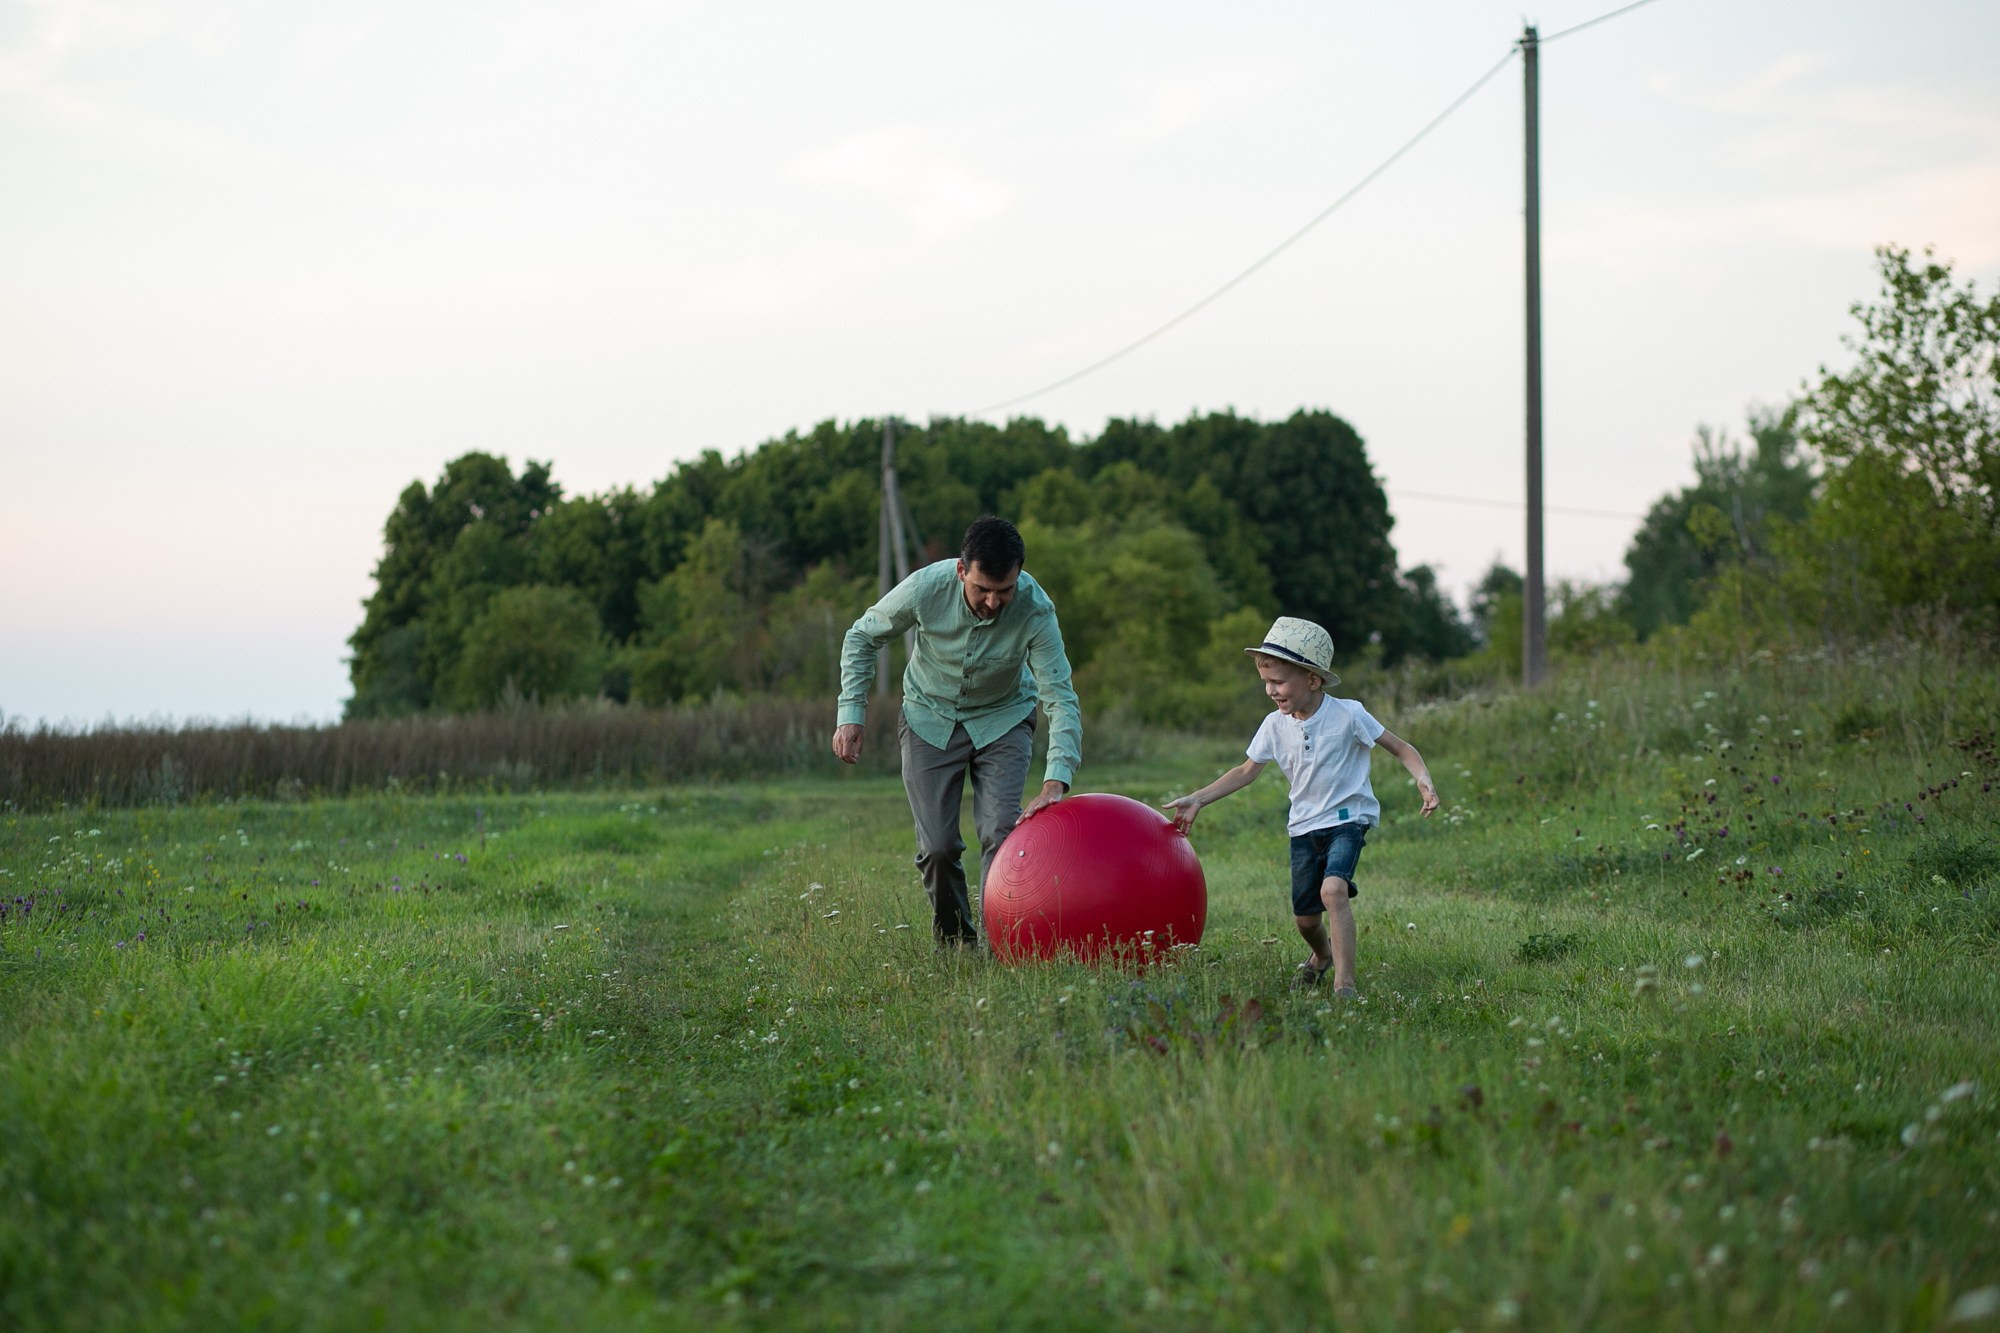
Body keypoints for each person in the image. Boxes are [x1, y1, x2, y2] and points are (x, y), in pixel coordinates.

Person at [832, 516, 1082, 948]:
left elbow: (1060, 696)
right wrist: (851, 712)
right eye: (982, 589)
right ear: (961, 570)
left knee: (1001, 831)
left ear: (1019, 576)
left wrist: (1055, 780)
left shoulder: (1036, 610)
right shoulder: (925, 587)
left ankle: (1001, 941)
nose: (993, 601)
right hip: (929, 717)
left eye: (1005, 591)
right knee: (938, 847)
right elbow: (861, 637)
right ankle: (956, 941)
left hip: (1003, 718)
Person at [1162, 616, 1438, 997]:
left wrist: (1423, 781)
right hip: (1304, 827)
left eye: (1278, 682)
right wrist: (1199, 798)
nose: (1271, 691)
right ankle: (1321, 957)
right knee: (1306, 920)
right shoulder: (1274, 726)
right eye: (1266, 683)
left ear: (1312, 679)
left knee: (1333, 892)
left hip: (1347, 819)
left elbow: (1402, 748)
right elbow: (1245, 771)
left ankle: (1345, 986)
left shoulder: (1349, 715)